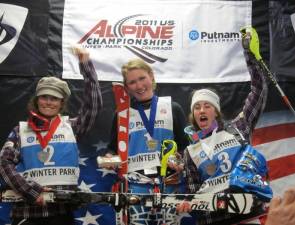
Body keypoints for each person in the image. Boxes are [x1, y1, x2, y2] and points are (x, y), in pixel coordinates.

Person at [176, 27, 272, 224]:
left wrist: (251, 55)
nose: (201, 110)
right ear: (193, 115)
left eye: (207, 106)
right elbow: (194, 192)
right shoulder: (190, 151)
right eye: (197, 108)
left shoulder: (239, 127)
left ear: (216, 111)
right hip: (214, 219)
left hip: (248, 213)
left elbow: (259, 90)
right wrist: (189, 203)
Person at [0, 47, 103, 225]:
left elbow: (94, 107)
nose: (48, 102)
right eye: (44, 97)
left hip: (62, 213)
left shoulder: (71, 127)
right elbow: (3, 163)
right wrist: (31, 192)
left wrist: (86, 66)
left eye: (54, 98)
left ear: (62, 103)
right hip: (28, 213)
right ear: (37, 100)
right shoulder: (20, 130)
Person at [107, 58, 189, 224]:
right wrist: (108, 159)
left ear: (151, 76)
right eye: (132, 82)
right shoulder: (122, 114)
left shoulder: (173, 107)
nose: (138, 85)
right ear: (127, 87)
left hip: (168, 183)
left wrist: (178, 159)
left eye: (142, 78)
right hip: (134, 185)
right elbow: (113, 150)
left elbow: (186, 148)